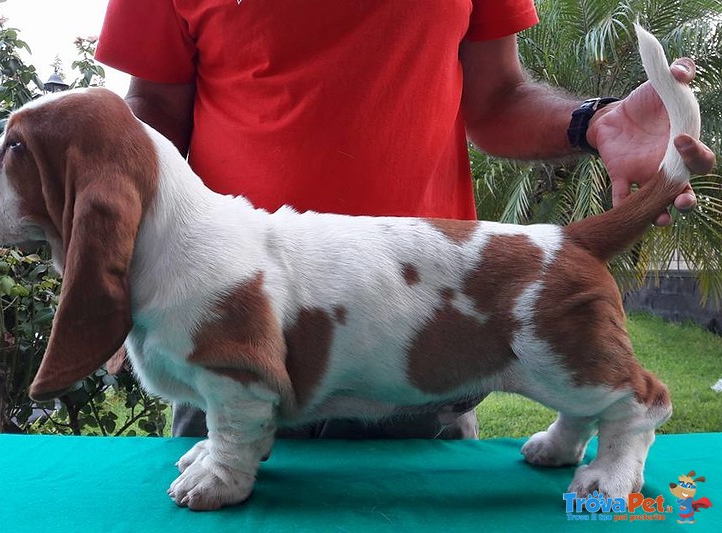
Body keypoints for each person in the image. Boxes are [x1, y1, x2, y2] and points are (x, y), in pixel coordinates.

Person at [95, 0, 715, 440]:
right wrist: (120, 265)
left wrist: (592, 121)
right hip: (224, 328)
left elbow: (497, 100)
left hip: (430, 325)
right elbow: (153, 109)